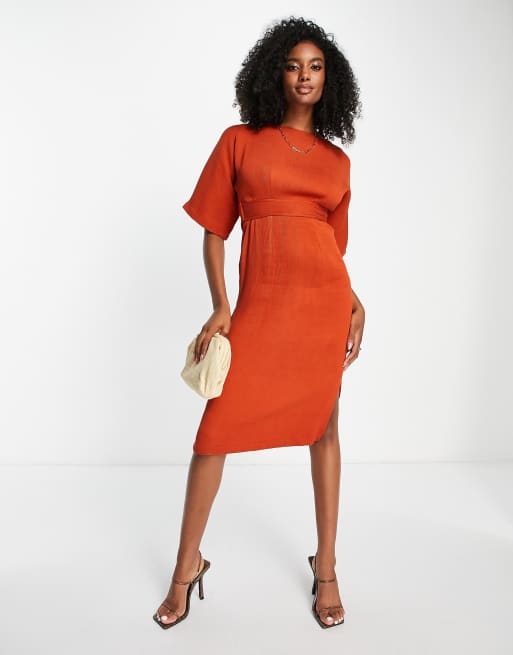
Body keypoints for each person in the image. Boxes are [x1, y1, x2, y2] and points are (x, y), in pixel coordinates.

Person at [153, 16, 365, 630]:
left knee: (324, 429)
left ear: (329, 80)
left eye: (316, 66)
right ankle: (186, 566)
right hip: (261, 307)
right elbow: (213, 230)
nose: (305, 75)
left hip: (323, 307)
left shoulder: (337, 162)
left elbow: (329, 247)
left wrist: (354, 300)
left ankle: (327, 567)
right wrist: (222, 306)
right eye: (294, 65)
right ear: (276, 73)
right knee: (214, 433)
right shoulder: (240, 141)